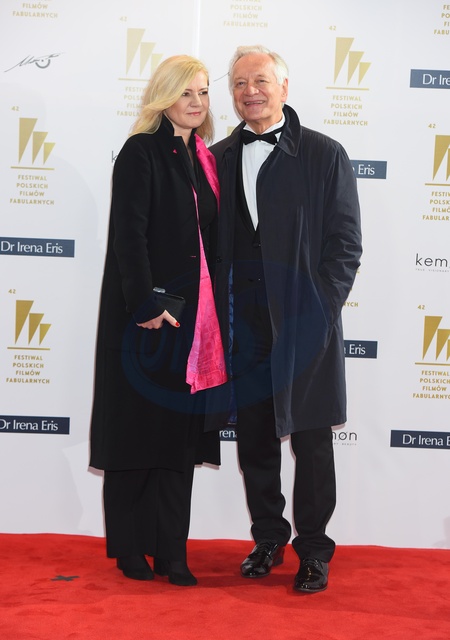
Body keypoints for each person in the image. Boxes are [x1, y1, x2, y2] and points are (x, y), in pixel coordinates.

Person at [210, 45, 362, 593]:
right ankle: (268, 538)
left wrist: (319, 309)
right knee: (255, 439)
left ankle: (315, 550)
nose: (249, 91)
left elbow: (345, 245)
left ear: (284, 87)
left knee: (312, 441)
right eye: (239, 83)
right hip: (243, 324)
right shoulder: (218, 157)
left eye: (260, 81)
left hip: (305, 323)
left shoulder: (324, 153)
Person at [90, 55, 227, 587]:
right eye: (185, 92)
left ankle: (172, 552)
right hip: (145, 319)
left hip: (193, 323)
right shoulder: (141, 151)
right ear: (163, 97)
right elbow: (129, 235)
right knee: (136, 433)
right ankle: (130, 549)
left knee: (177, 437)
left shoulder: (205, 158)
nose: (197, 102)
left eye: (203, 92)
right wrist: (146, 306)